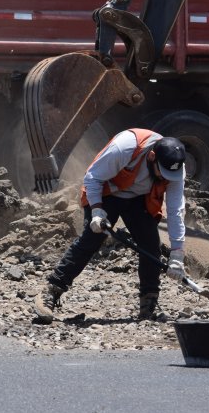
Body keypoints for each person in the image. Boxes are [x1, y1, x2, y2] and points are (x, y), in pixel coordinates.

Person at [33, 129, 188, 322]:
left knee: (150, 246)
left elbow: (175, 211)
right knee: (91, 240)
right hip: (106, 194)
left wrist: (177, 254)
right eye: (161, 172)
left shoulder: (174, 170)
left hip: (140, 199)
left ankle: (148, 304)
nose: (164, 178)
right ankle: (51, 291)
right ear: (152, 156)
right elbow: (92, 177)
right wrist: (97, 211)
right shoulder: (124, 148)